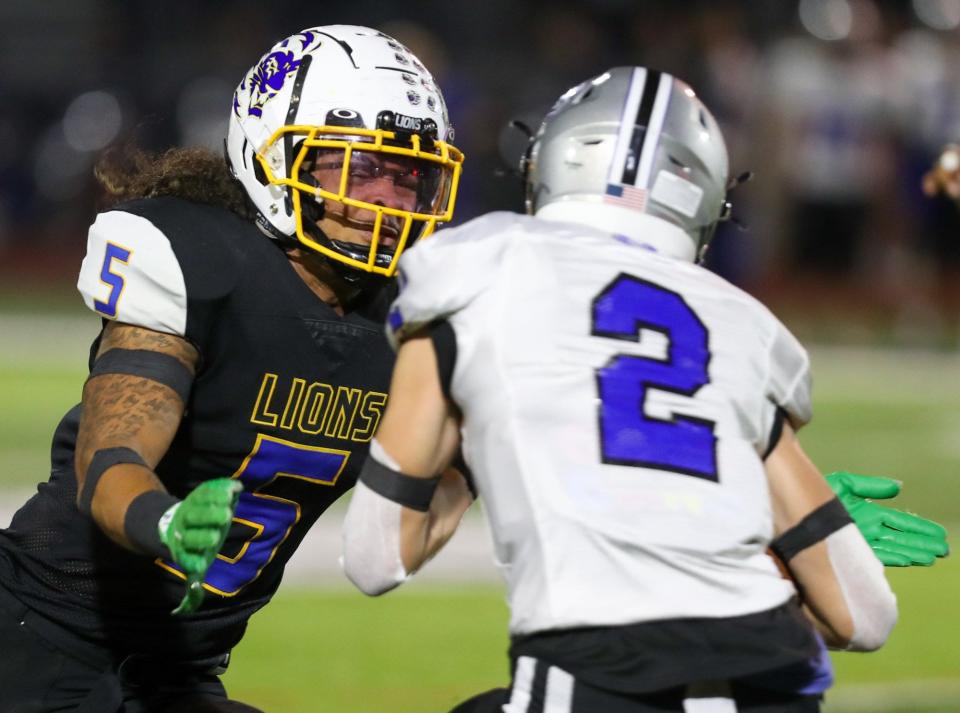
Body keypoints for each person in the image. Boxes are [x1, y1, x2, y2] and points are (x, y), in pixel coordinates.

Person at [340, 67, 945, 712]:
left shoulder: (474, 268)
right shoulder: (740, 324)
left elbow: (376, 558)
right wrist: (771, 557)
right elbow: (865, 615)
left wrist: (476, 450)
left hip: (599, 679)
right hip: (777, 688)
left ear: (550, 163)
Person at [0, 25, 463, 712]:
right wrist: (162, 520)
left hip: (176, 674)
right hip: (36, 639)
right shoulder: (196, 258)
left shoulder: (414, 323)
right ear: (278, 155)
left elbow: (388, 543)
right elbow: (111, 459)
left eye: (409, 177)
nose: (388, 200)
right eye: (361, 168)